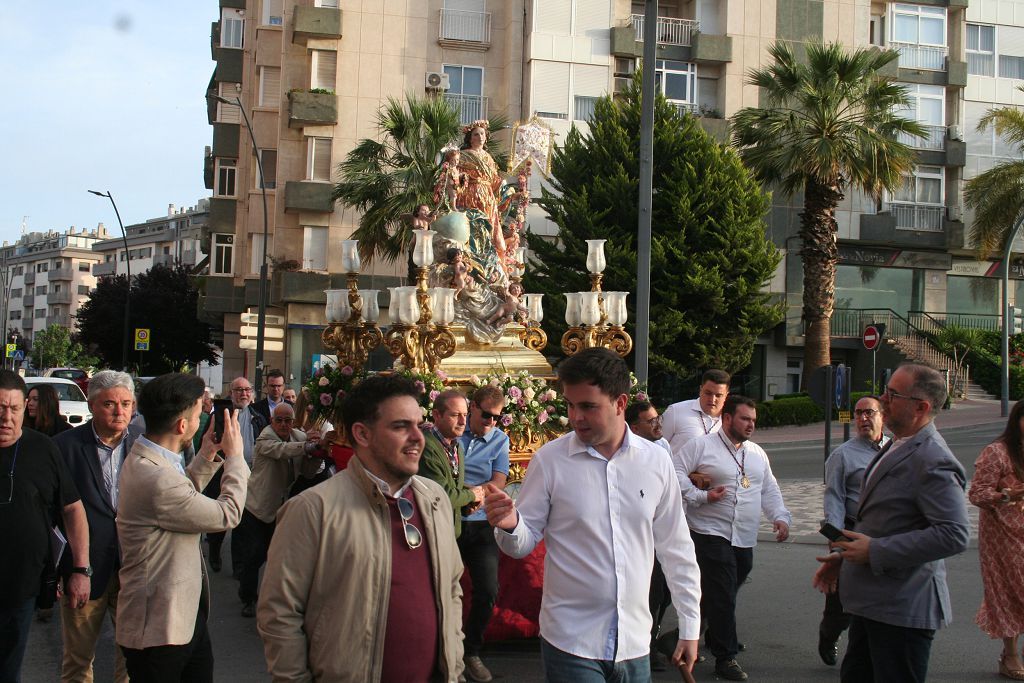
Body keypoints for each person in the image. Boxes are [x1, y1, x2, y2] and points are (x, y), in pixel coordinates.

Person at [484, 348, 702, 681]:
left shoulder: (656, 462)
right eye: (570, 405)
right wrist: (510, 524)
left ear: (620, 403)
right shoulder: (550, 461)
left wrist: (689, 625)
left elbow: (676, 547)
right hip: (572, 641)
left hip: (634, 642)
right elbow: (522, 544)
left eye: (588, 406)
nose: (576, 417)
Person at [257, 375, 465, 681]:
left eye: (419, 426)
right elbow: (279, 614)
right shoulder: (312, 510)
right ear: (362, 434)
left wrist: (455, 668)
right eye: (400, 426)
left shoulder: (436, 499)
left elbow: (451, 588)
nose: (418, 438)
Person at [812, 364, 970, 683]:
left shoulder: (932, 458)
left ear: (921, 407)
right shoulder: (896, 445)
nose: (883, 399)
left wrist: (875, 551)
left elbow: (954, 534)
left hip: (902, 609)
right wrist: (844, 559)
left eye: (893, 394)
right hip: (872, 605)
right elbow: (883, 520)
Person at [115, 373, 249, 682]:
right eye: (198, 414)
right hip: (160, 629)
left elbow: (180, 496)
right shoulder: (157, 478)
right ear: (182, 425)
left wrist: (207, 454)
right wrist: (236, 457)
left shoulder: (150, 457)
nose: (203, 418)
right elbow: (227, 514)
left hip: (183, 618)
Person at [674, 394, 791, 681]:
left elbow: (769, 489)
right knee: (724, 593)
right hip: (710, 532)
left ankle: (684, 636)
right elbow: (672, 473)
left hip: (744, 536)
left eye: (753, 420)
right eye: (744, 419)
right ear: (727, 418)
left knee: (722, 590)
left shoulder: (756, 453)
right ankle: (725, 657)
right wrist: (700, 496)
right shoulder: (701, 446)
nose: (750, 425)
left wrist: (780, 516)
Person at [0, 370, 90, 683]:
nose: (6, 417)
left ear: (26, 407)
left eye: (14, 409)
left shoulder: (43, 449)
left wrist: (80, 569)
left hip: (21, 584)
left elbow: (73, 509)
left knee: (7, 669)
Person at [53, 371, 139, 683]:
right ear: (91, 406)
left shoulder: (146, 447)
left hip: (134, 568)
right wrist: (67, 571)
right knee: (77, 663)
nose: (120, 411)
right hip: (85, 569)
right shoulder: (65, 447)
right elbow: (56, 514)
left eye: (126, 404)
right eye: (110, 404)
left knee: (132, 662)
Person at [817, 395, 889, 666]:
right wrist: (836, 543)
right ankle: (829, 633)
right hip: (850, 530)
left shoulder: (895, 449)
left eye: (869, 413)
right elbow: (833, 500)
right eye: (858, 414)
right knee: (840, 603)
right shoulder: (843, 455)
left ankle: (870, 654)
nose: (862, 419)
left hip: (883, 535)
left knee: (879, 601)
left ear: (882, 415)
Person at [236, 402, 322, 618]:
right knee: (254, 556)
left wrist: (318, 453)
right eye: (279, 420)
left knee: (279, 557)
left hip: (282, 508)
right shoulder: (265, 437)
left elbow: (308, 473)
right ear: (272, 421)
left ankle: (276, 600)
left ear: (294, 422)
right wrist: (308, 448)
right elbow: (280, 451)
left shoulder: (299, 437)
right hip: (257, 507)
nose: (283, 425)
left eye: (288, 421)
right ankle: (248, 598)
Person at [458, 385, 511, 683]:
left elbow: (500, 479)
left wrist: (476, 494)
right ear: (473, 407)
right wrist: (459, 495)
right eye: (487, 416)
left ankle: (471, 650)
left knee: (488, 590)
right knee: (442, 587)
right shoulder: (452, 432)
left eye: (496, 418)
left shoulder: (499, 439)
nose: (491, 422)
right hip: (449, 517)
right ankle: (445, 650)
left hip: (480, 521)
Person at [969, 398, 1024, 680]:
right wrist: (1006, 495)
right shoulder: (997, 452)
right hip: (1002, 535)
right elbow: (977, 493)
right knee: (1009, 591)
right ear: (1017, 421)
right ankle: (1011, 654)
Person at [625, 399, 674, 672]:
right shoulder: (629, 453)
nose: (658, 425)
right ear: (634, 427)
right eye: (651, 421)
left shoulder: (663, 447)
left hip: (662, 532)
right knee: (651, 593)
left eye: (658, 420)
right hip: (641, 537)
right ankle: (646, 648)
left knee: (664, 594)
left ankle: (653, 637)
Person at [204, 376, 266, 574]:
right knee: (219, 519)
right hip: (221, 474)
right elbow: (207, 445)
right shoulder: (219, 416)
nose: (243, 394)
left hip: (248, 475)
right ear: (231, 393)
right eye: (239, 390)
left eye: (247, 390)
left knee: (242, 522)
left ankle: (238, 567)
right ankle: (214, 550)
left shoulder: (258, 417)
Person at [418, 389, 483, 538]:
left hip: (450, 534)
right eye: (455, 415)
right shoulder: (426, 446)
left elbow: (452, 485)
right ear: (436, 415)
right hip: (431, 535)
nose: (463, 422)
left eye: (465, 415)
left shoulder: (457, 446)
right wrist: (471, 495)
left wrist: (467, 502)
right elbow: (441, 495)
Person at [662, 369, 730, 453]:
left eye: (718, 395)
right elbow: (657, 446)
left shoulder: (731, 419)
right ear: (700, 389)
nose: (712, 399)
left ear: (726, 395)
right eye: (708, 393)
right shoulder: (675, 411)